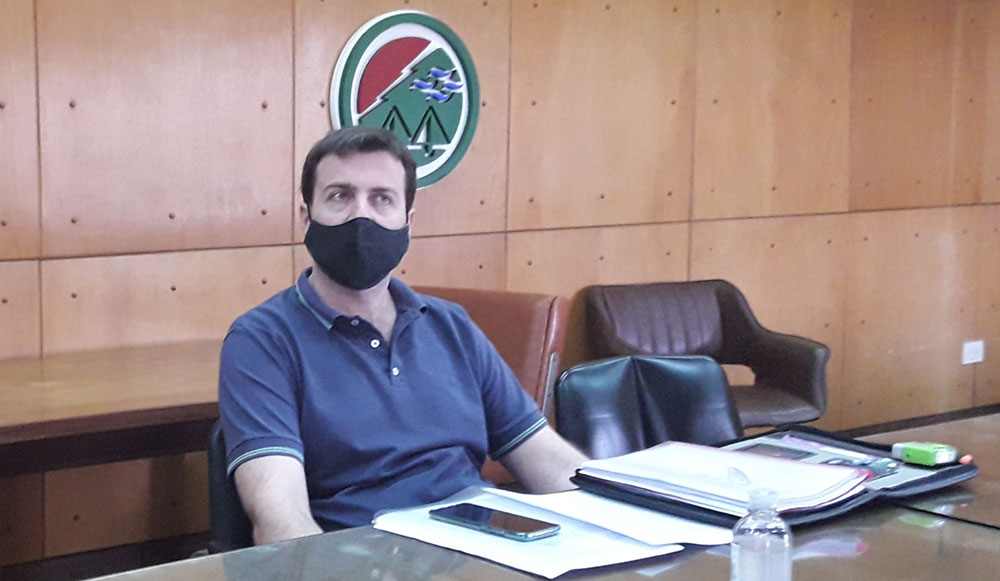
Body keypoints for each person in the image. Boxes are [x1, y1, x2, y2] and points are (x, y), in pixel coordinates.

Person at [219, 126, 587, 545]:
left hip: (481, 552)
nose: (361, 217)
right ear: (307, 217)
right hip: (360, 559)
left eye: (382, 199)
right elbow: (281, 520)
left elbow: (548, 460)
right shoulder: (262, 341)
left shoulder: (451, 326)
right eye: (339, 196)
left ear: (408, 222)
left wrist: (620, 521)